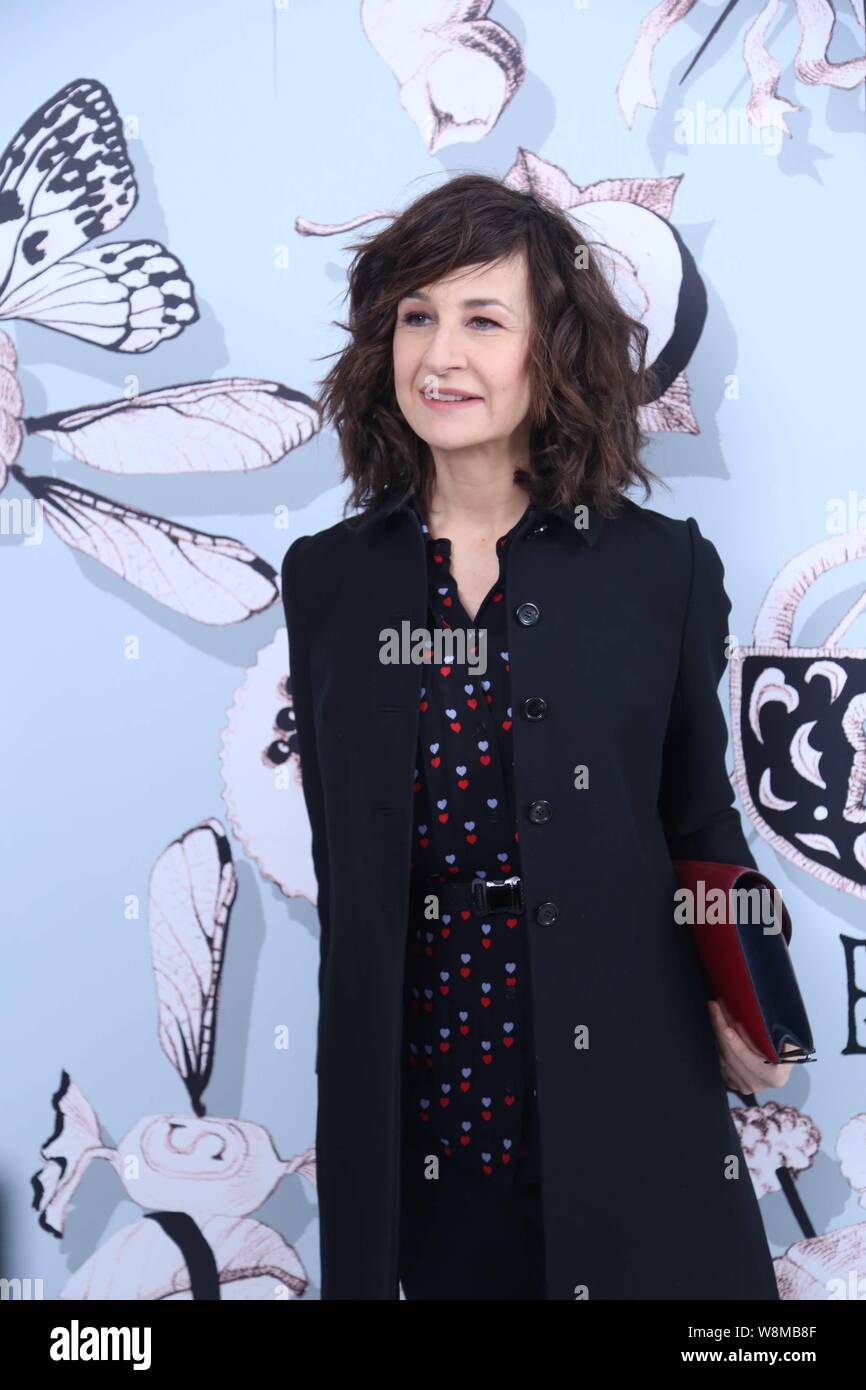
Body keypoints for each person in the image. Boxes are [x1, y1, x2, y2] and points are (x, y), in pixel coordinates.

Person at [281, 173, 797, 1301]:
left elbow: (696, 817)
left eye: (481, 319)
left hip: (623, 1072)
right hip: (419, 1099)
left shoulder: (658, 569)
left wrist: (761, 997)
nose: (439, 356)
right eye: (414, 317)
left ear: (549, 348)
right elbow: (343, 859)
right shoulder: (327, 580)